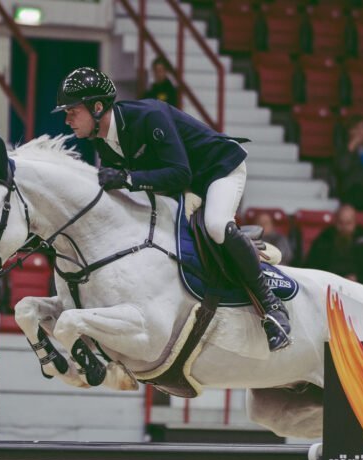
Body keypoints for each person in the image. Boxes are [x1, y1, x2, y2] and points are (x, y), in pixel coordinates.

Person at [53, 66, 290, 351]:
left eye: (72, 111)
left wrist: (128, 179)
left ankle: (272, 307)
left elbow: (180, 173)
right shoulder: (103, 142)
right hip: (185, 184)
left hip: (218, 169)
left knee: (216, 225)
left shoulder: (149, 116)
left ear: (97, 107)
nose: (67, 119)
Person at [302, 204, 363, 284]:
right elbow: (311, 267)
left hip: (358, 286)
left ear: (355, 223)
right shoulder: (325, 239)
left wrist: (358, 278)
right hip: (329, 285)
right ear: (335, 222)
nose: (344, 227)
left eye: (348, 223)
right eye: (340, 223)